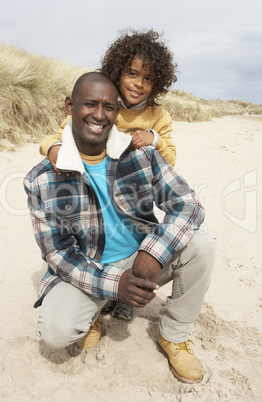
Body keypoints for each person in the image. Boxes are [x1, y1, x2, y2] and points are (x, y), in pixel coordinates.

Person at [24, 72, 215, 384]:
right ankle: (108, 303)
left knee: (202, 246)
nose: (99, 115)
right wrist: (116, 284)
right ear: (70, 106)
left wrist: (153, 252)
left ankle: (174, 336)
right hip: (89, 270)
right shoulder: (41, 179)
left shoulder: (140, 154)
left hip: (141, 261)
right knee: (56, 333)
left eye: (109, 107)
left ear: (117, 112)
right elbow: (58, 254)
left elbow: (188, 204)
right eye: (90, 104)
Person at [39, 29, 178, 321]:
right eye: (131, 73)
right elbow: (60, 133)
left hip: (133, 190)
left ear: (158, 83)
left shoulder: (158, 115)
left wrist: (153, 138)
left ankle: (127, 301)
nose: (139, 84)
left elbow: (170, 159)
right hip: (96, 191)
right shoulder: (100, 103)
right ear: (117, 73)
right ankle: (100, 297)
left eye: (148, 78)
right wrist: (52, 149)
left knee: (146, 233)